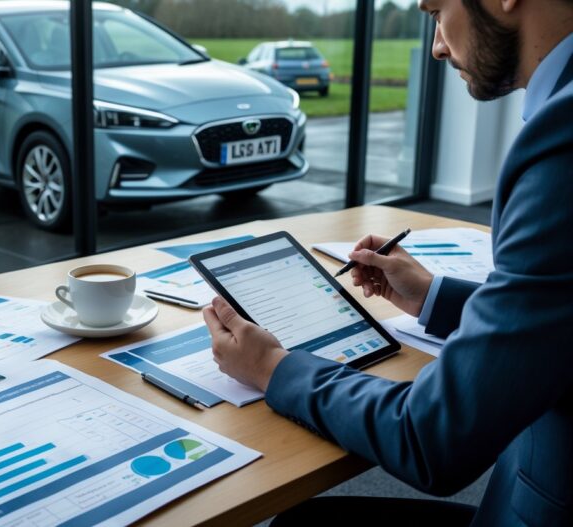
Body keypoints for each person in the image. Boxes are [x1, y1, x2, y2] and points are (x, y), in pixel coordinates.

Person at [203, 0, 573, 525]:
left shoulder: (562, 140)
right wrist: (432, 295)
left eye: (436, 11)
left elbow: (431, 439)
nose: (438, 45)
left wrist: (272, 368)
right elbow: (555, 316)